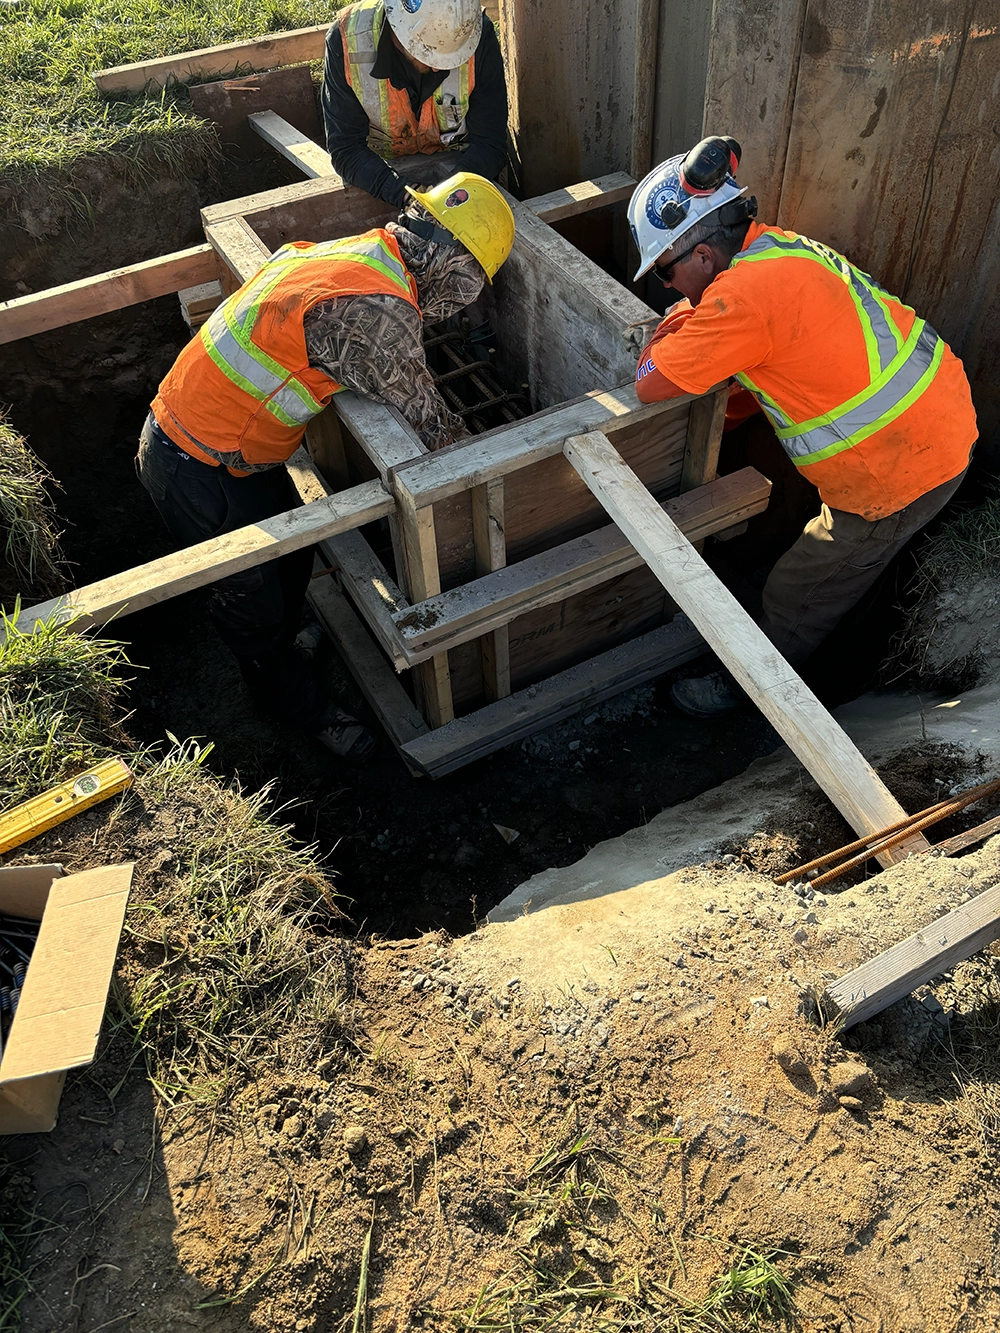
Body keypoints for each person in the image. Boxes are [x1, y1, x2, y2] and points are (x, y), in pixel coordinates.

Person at [137, 173, 515, 759]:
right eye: (474, 288)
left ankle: (289, 644)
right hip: (196, 465)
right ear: (458, 270)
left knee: (291, 561)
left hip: (215, 446)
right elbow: (435, 429)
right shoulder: (376, 316)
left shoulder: (360, 253)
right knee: (251, 605)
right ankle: (296, 707)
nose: (466, 305)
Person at [628, 136, 978, 718]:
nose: (667, 288)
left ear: (703, 258)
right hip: (937, 419)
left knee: (798, 594)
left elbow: (650, 381)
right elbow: (774, 363)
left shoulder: (738, 301)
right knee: (852, 572)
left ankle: (752, 694)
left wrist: (670, 326)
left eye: (665, 274)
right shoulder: (777, 249)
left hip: (896, 473)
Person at [322, 0, 508, 210]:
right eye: (427, 53)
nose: (439, 69)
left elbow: (491, 144)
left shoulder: (474, 33)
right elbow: (346, 149)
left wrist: (450, 195)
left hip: (461, 163)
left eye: (450, 58)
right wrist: (403, 195)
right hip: (380, 167)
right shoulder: (347, 40)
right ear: (398, 29)